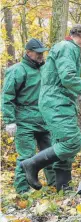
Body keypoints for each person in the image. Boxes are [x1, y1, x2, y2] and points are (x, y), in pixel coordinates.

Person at [20, 24, 81, 192]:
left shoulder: (66, 48)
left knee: (62, 144)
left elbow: (62, 78)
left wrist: (78, 94)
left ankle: (63, 188)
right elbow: (68, 77)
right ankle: (31, 165)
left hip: (60, 101)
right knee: (72, 141)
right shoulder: (68, 47)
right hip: (56, 102)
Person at [2, 39, 56, 194]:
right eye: (38, 53)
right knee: (26, 156)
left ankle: (54, 185)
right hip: (24, 120)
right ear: (28, 52)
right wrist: (9, 120)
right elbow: (7, 96)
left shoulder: (45, 69)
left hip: (44, 119)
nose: (41, 55)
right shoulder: (17, 70)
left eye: (42, 52)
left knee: (50, 153)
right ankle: (23, 190)